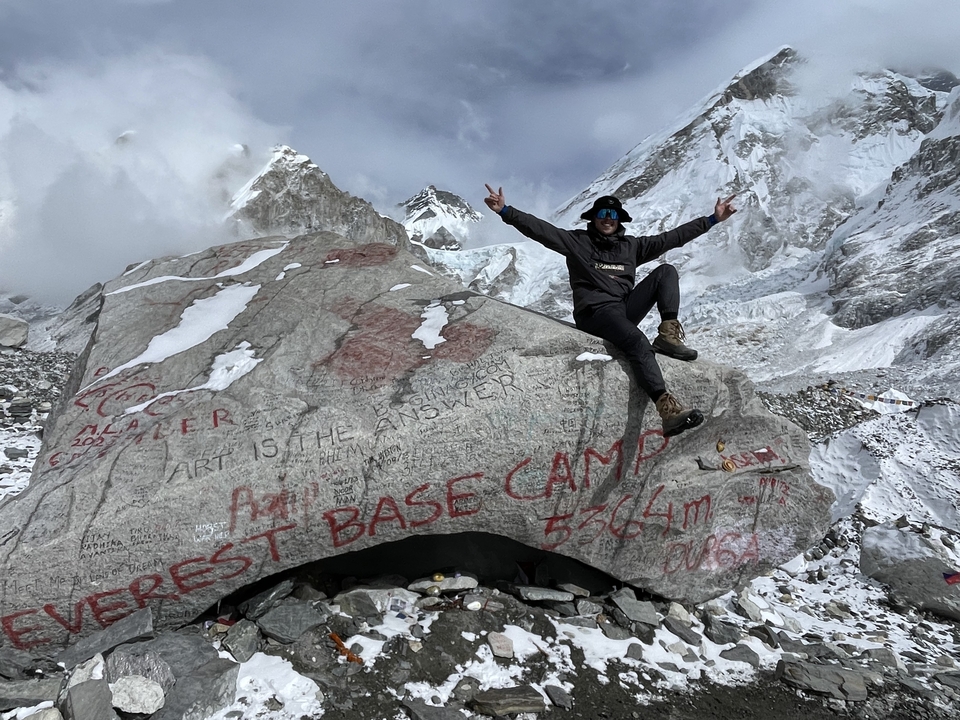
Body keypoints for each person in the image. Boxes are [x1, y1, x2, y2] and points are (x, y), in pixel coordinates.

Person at [483, 184, 736, 437]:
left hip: (623, 310)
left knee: (666, 271)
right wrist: (505, 210)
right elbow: (540, 230)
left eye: (613, 215)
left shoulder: (631, 247)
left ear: (619, 220)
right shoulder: (577, 242)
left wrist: (713, 219)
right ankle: (668, 410)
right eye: (603, 213)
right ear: (593, 217)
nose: (607, 218)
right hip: (594, 313)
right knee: (637, 340)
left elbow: (673, 237)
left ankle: (668, 335)